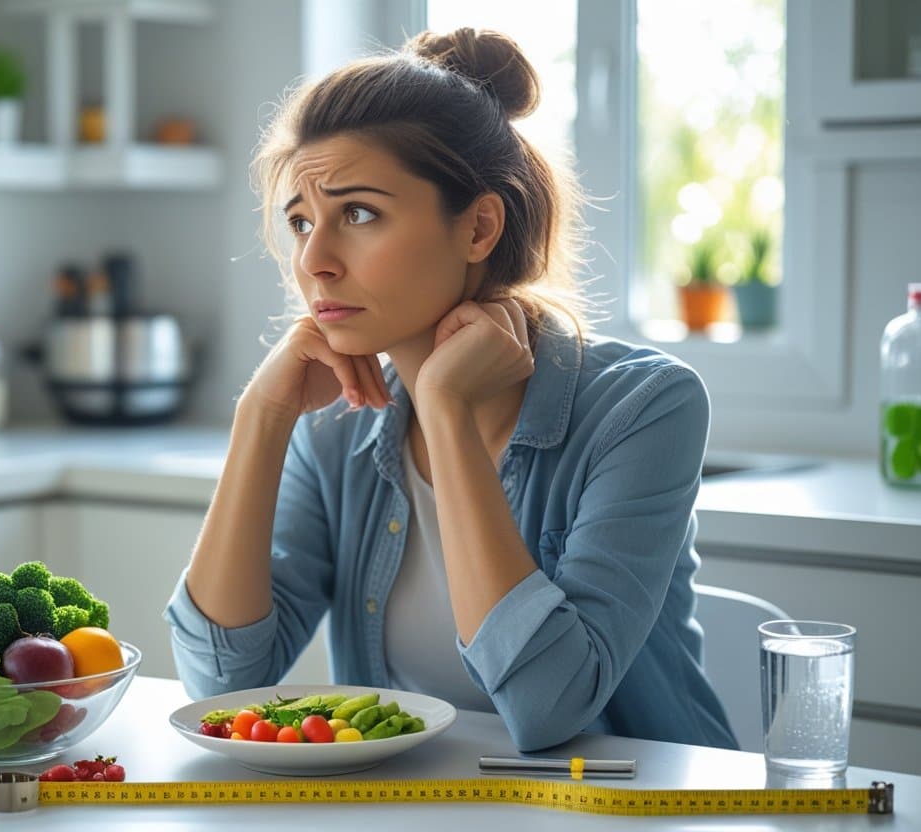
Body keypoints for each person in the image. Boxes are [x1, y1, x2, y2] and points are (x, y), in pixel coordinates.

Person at [163, 27, 737, 752]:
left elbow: (549, 709)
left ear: (479, 227)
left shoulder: (645, 408)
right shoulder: (332, 418)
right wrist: (262, 415)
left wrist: (446, 411)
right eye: (301, 221)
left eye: (359, 214)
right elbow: (221, 686)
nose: (313, 261)